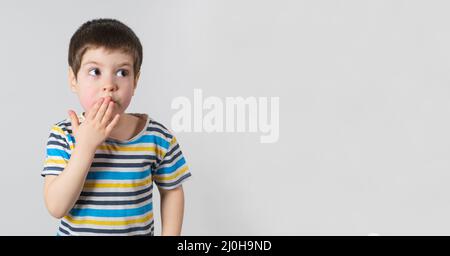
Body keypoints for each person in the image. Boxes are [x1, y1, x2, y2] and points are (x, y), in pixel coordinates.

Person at [41, 18, 192, 236]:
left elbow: (173, 191)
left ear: (136, 81)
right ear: (73, 79)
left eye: (122, 72)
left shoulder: (157, 137)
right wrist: (85, 147)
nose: (109, 85)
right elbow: (56, 207)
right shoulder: (64, 134)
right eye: (95, 72)